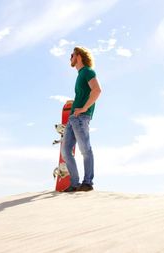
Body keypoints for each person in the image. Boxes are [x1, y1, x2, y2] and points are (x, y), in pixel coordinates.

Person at [61, 46, 102, 192]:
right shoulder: (80, 74)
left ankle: (87, 182)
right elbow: (85, 93)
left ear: (78, 56)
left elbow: (97, 90)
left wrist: (84, 108)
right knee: (65, 151)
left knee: (85, 149)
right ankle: (74, 183)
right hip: (73, 117)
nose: (70, 58)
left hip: (81, 117)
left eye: (71, 55)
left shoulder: (87, 72)